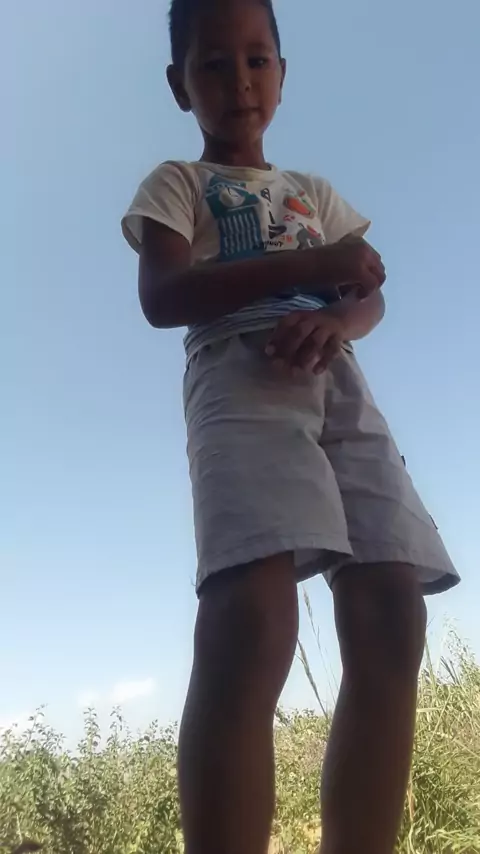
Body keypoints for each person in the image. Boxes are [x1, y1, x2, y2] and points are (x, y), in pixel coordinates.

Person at [121, 1, 460, 852]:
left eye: (257, 59)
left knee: (392, 609)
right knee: (253, 621)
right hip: (241, 370)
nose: (239, 81)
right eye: (212, 64)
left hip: (337, 376)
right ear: (178, 86)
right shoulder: (177, 183)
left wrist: (341, 318)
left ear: (282, 73)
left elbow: (368, 295)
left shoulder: (314, 193)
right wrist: (311, 266)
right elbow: (163, 296)